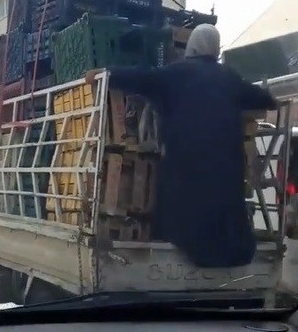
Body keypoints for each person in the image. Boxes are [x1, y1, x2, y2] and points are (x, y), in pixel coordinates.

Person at [85, 24, 278, 268]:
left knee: (173, 201)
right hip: (227, 190)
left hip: (185, 187)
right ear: (215, 49)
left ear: (192, 46)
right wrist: (271, 98)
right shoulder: (229, 78)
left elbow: (140, 76)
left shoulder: (174, 74)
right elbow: (262, 98)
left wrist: (104, 73)